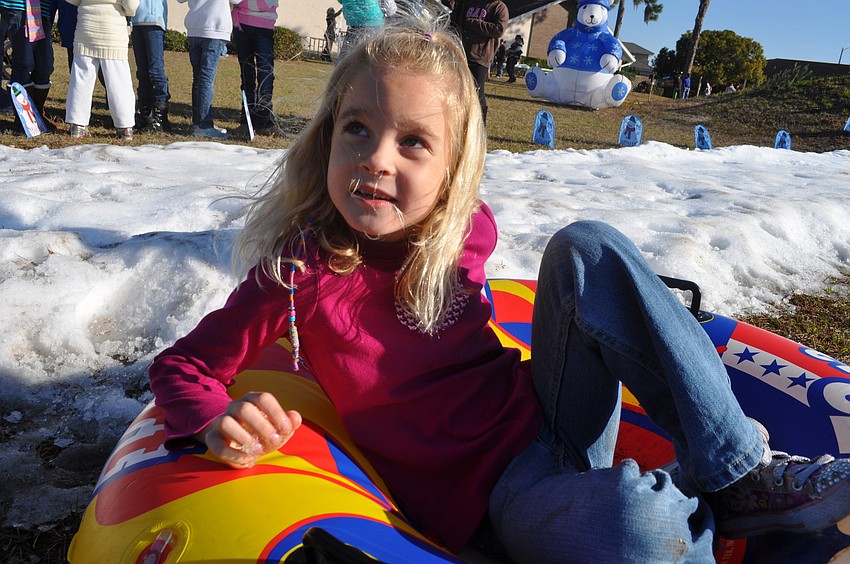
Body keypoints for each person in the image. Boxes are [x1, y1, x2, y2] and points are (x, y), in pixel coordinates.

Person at [149, 16, 850, 563]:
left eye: (413, 142)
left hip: (552, 415)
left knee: (586, 245)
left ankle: (738, 473)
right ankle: (690, 505)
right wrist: (214, 418)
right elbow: (182, 366)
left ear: (454, 169)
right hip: (497, 498)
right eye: (356, 128)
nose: (376, 159)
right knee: (640, 524)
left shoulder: (463, 232)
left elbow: (575, 306)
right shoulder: (299, 274)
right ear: (327, 137)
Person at [64, 0, 138, 140]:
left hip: (86, 27)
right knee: (119, 81)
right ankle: (125, 127)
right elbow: (131, 6)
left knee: (81, 79)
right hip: (113, 31)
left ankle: (77, 126)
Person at [178, 0, 240, 139]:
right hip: (215, 28)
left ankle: (198, 123)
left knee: (199, 79)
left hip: (195, 28)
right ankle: (204, 126)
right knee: (206, 80)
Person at [443, 0, 507, 123]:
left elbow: (499, 29)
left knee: (477, 92)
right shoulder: (468, 2)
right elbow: (451, 5)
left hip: (481, 57)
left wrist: (475, 23)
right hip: (461, 54)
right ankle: (458, 122)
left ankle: (480, 124)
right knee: (456, 88)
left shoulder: (498, 7)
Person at [231, 0, 278, 136]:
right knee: (247, 74)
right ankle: (246, 121)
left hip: (263, 26)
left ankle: (264, 122)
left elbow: (266, 3)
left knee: (265, 74)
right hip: (242, 24)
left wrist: (244, 4)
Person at [131, 0, 171, 133]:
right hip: (135, 19)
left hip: (154, 19)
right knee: (142, 72)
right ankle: (146, 115)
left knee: (155, 70)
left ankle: (160, 117)